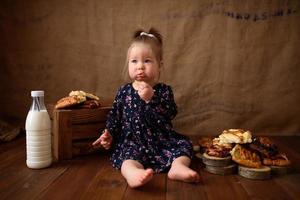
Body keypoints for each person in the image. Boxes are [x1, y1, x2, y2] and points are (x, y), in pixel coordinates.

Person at [93, 28, 200, 188]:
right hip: (133, 142)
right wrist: (108, 133)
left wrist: (152, 98)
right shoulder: (124, 91)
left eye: (147, 61)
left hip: (161, 140)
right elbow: (115, 116)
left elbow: (170, 113)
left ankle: (178, 167)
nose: (140, 67)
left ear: (159, 65)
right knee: (127, 159)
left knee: (184, 146)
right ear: (128, 63)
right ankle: (133, 173)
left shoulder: (163, 90)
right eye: (134, 61)